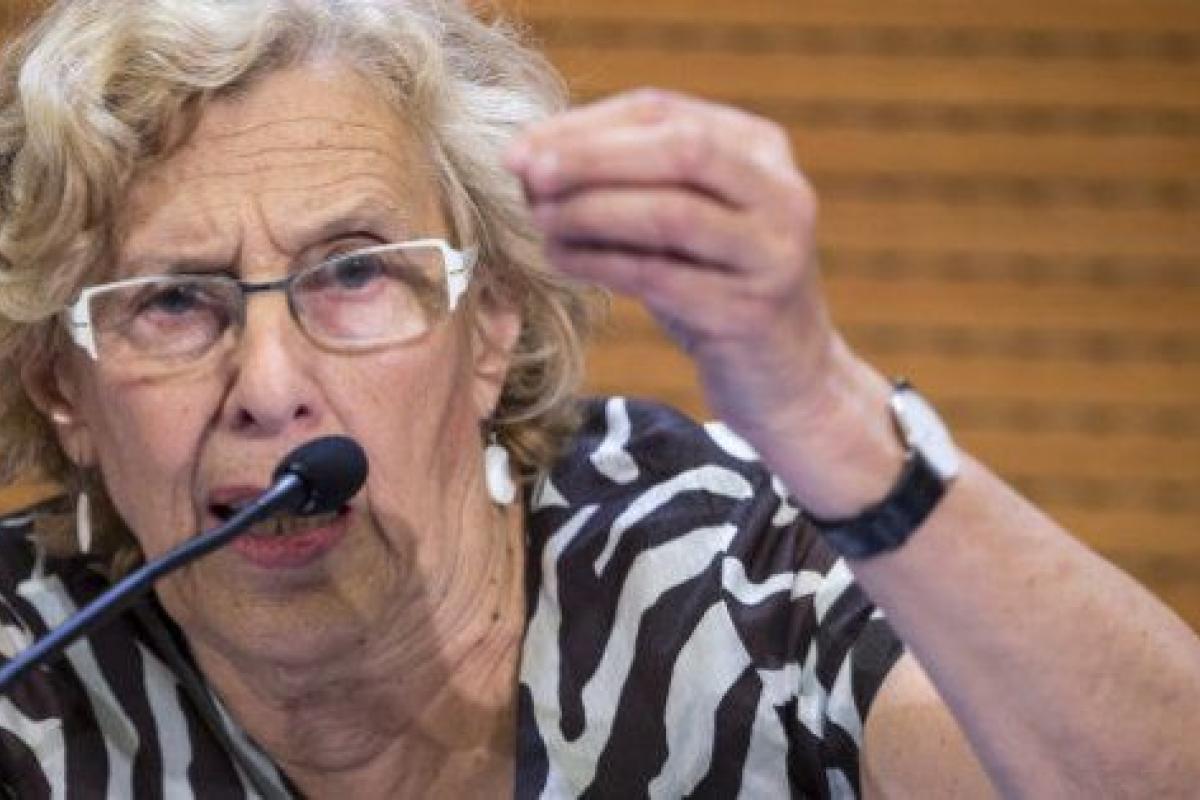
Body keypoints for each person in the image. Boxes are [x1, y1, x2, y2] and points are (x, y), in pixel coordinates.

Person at [0, 0, 1196, 796]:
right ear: (64, 385)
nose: (268, 388)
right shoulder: (28, 668)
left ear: (492, 322)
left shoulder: (731, 575)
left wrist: (825, 412)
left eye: (356, 273)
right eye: (173, 300)